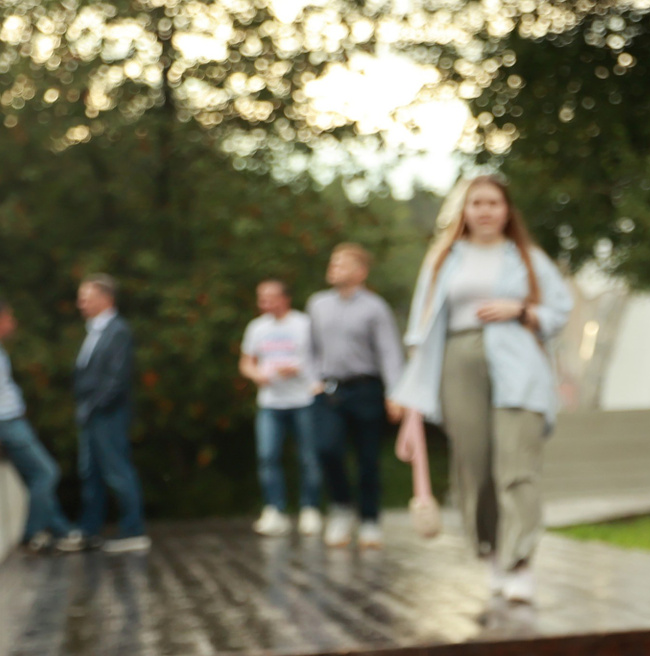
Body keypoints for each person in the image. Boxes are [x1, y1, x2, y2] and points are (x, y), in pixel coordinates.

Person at [394, 174, 571, 605]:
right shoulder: (443, 259)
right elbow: (420, 328)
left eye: (494, 202)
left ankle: (520, 561)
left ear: (507, 210)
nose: (486, 210)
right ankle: (492, 550)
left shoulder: (528, 257)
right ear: (465, 210)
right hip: (458, 362)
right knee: (474, 466)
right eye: (477, 203)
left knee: (517, 467)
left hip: (518, 365)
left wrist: (522, 309)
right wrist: (412, 396)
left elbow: (560, 309)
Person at [0, 299, 83, 553]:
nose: (12, 322)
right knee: (46, 473)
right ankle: (33, 534)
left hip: (7, 421)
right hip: (5, 423)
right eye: (8, 317)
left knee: (37, 477)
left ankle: (62, 530)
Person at [308, 243, 406, 549]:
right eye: (333, 261)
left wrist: (395, 393)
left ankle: (369, 520)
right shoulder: (317, 304)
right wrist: (312, 380)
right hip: (329, 390)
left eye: (342, 263)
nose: (333, 267)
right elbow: (309, 348)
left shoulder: (375, 307)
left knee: (368, 458)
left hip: (366, 389)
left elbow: (389, 352)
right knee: (327, 449)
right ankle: (340, 507)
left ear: (360, 272)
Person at [239, 279, 322, 539]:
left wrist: (300, 370)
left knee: (308, 457)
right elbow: (246, 362)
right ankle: (275, 510)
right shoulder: (257, 327)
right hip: (270, 402)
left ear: (285, 298)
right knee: (268, 456)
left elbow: (321, 356)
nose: (265, 303)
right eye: (261, 298)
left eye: (270, 298)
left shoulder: (304, 324)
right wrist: (256, 374)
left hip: (303, 399)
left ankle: (310, 509)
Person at [72, 273, 148, 553]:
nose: (81, 303)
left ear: (106, 299)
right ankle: (89, 530)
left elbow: (116, 379)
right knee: (90, 473)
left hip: (108, 413)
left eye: (87, 298)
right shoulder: (95, 330)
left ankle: (133, 530)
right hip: (92, 413)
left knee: (117, 470)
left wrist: (93, 406)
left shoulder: (117, 331)